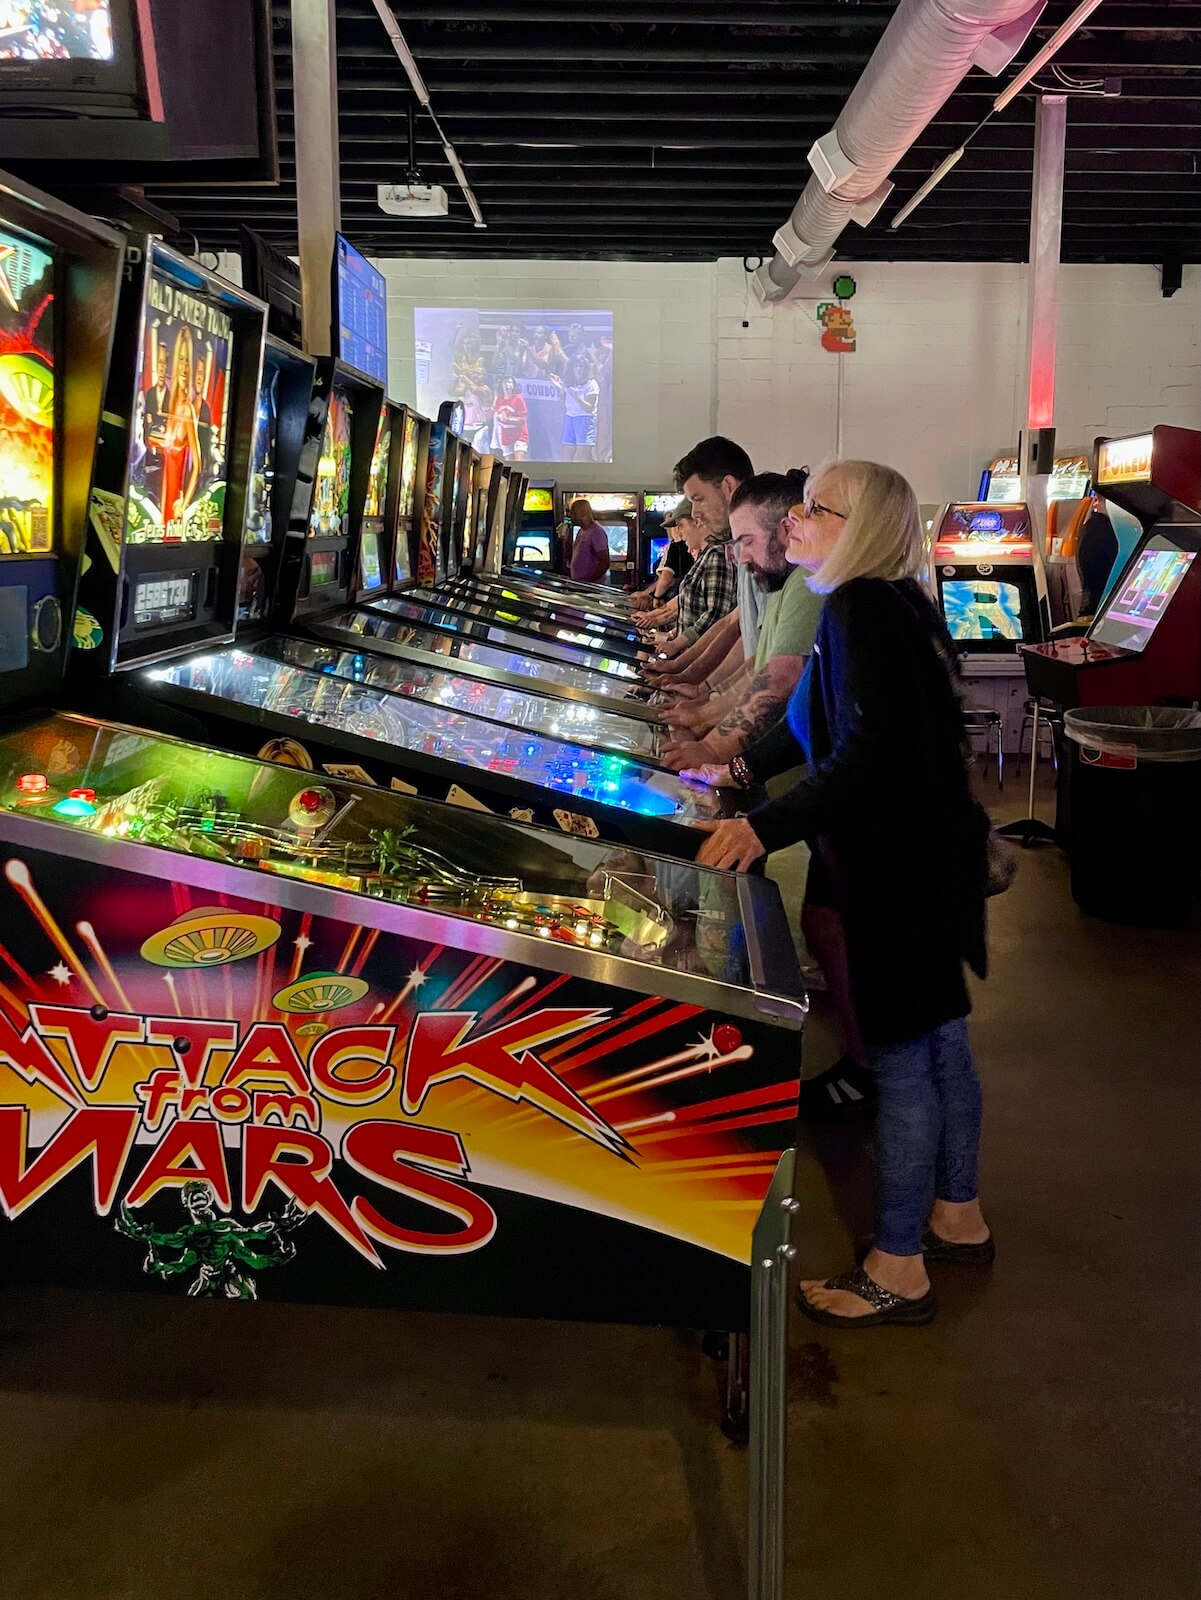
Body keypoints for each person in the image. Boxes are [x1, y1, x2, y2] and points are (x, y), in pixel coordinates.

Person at [691, 460, 993, 1328]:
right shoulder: (885, 601)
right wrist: (733, 770)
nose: (794, 520)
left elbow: (870, 756)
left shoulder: (863, 609)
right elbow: (811, 727)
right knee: (940, 1044)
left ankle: (898, 1267)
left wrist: (762, 826)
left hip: (898, 871)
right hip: (926, 861)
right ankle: (957, 1216)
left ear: (858, 529)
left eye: (814, 510)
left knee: (904, 1060)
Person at [661, 470, 822, 772]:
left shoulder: (807, 580)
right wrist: (705, 704)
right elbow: (760, 665)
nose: (743, 557)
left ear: (786, 529)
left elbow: (782, 675)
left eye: (747, 541)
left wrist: (712, 746)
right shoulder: (783, 581)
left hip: (793, 771)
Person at [555, 355, 600, 463]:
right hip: (570, 418)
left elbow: (589, 408)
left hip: (585, 419)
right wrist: (561, 391)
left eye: (581, 366)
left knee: (583, 455)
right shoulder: (569, 383)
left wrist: (577, 397)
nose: (579, 369)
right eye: (576, 366)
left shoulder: (592, 384)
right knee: (566, 453)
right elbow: (564, 408)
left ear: (586, 368)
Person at [565, 498, 611, 584]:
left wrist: (588, 583)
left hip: (590, 587)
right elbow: (572, 556)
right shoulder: (581, 531)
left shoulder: (596, 532)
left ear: (583, 513)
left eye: (573, 513)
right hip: (579, 584)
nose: (571, 516)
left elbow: (604, 563)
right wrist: (566, 537)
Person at [492, 376, 529, 461]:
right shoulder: (499, 399)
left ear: (513, 385)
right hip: (506, 435)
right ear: (501, 385)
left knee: (519, 461)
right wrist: (500, 417)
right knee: (509, 463)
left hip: (520, 434)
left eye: (509, 382)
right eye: (505, 382)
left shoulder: (518, 399)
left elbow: (523, 419)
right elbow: (496, 414)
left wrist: (509, 419)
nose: (507, 384)